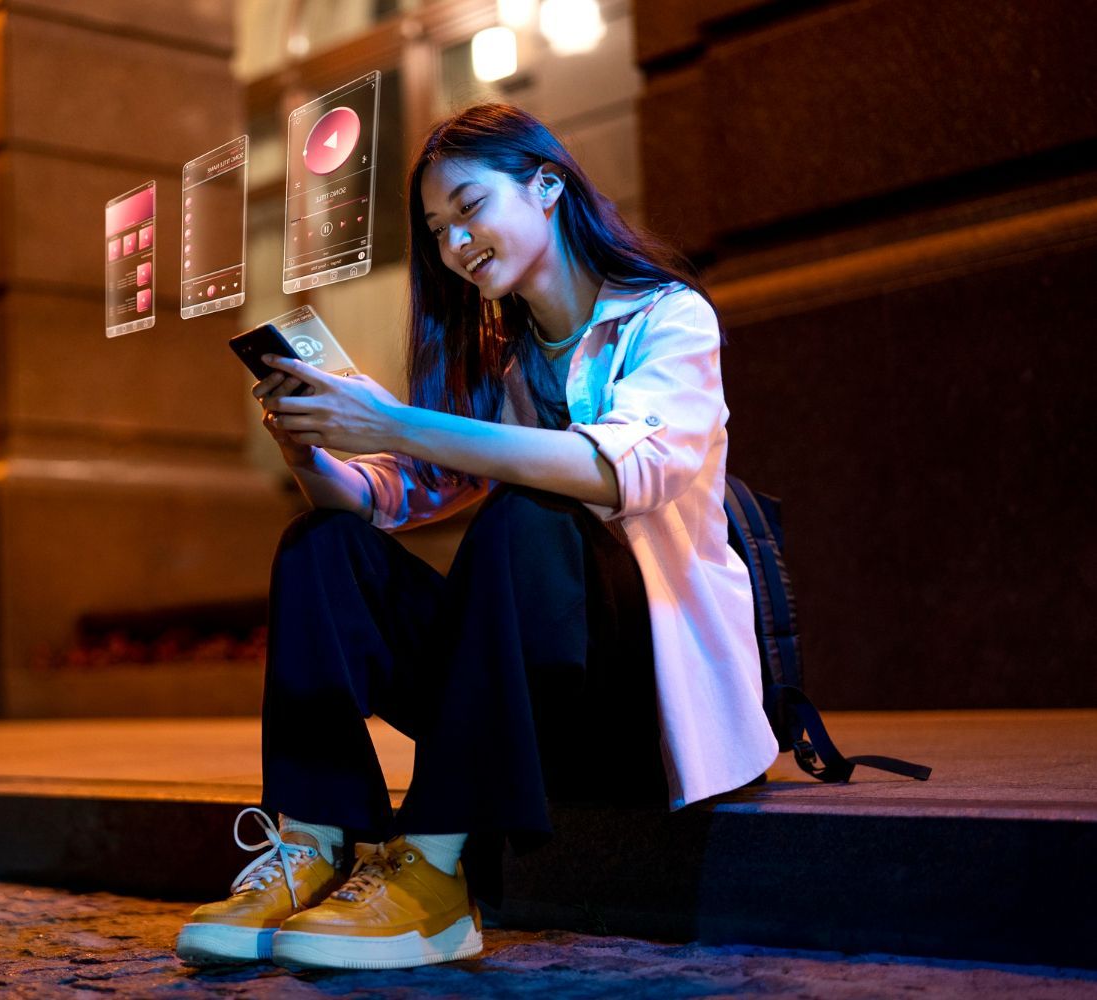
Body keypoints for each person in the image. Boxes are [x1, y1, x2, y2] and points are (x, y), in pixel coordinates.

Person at [176, 103, 778, 971]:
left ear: (546, 186)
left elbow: (621, 473)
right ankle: (315, 843)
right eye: (437, 230)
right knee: (320, 546)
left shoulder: (668, 318)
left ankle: (434, 868)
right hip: (529, 706)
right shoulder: (504, 367)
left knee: (527, 511)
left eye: (469, 208)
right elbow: (379, 502)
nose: (455, 243)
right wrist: (311, 445)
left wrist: (393, 419)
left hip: (643, 703)